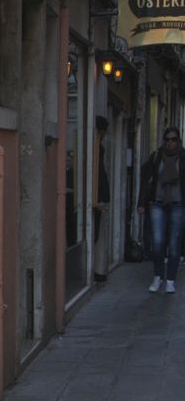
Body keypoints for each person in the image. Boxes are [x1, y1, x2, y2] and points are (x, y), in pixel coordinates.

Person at [138, 126, 185, 293]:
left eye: (173, 139)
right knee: (157, 243)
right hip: (157, 204)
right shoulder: (157, 157)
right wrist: (141, 202)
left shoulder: (183, 157)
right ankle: (158, 277)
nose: (170, 143)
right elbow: (146, 180)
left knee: (174, 244)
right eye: (167, 139)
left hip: (178, 205)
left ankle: (171, 280)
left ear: (178, 140)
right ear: (164, 141)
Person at [93, 116, 111, 283]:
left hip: (98, 197)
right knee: (94, 234)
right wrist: (97, 199)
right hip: (96, 199)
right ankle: (94, 272)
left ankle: (94, 271)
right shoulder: (94, 148)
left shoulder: (99, 148)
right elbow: (96, 174)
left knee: (96, 234)